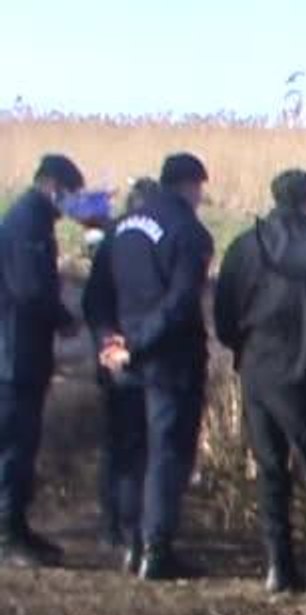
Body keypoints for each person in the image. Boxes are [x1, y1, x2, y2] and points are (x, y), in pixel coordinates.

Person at [213, 168, 306, 600]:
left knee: (270, 470)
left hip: (257, 371)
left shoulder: (243, 246)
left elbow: (223, 315)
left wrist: (245, 349)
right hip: (305, 373)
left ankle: (278, 567)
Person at [103, 153, 214, 579]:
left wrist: (108, 340)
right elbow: (181, 302)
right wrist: (138, 343)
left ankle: (131, 543)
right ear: (190, 186)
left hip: (123, 362)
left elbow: (98, 293)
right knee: (167, 455)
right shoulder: (190, 233)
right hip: (170, 363)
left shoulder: (121, 229)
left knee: (132, 451)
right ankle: (156, 549)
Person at [0, 154, 92, 567]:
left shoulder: (30, 220)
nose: (72, 202)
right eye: (71, 194)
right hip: (14, 355)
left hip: (19, 351)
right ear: (52, 185)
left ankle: (16, 526)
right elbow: (29, 288)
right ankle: (7, 535)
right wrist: (63, 318)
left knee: (21, 443)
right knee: (13, 445)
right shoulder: (27, 225)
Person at [82, 178, 159, 551]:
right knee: (136, 443)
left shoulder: (112, 242)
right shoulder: (150, 242)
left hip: (113, 353)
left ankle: (112, 525)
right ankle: (130, 527)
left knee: (116, 443)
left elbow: (92, 299)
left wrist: (104, 339)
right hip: (139, 356)